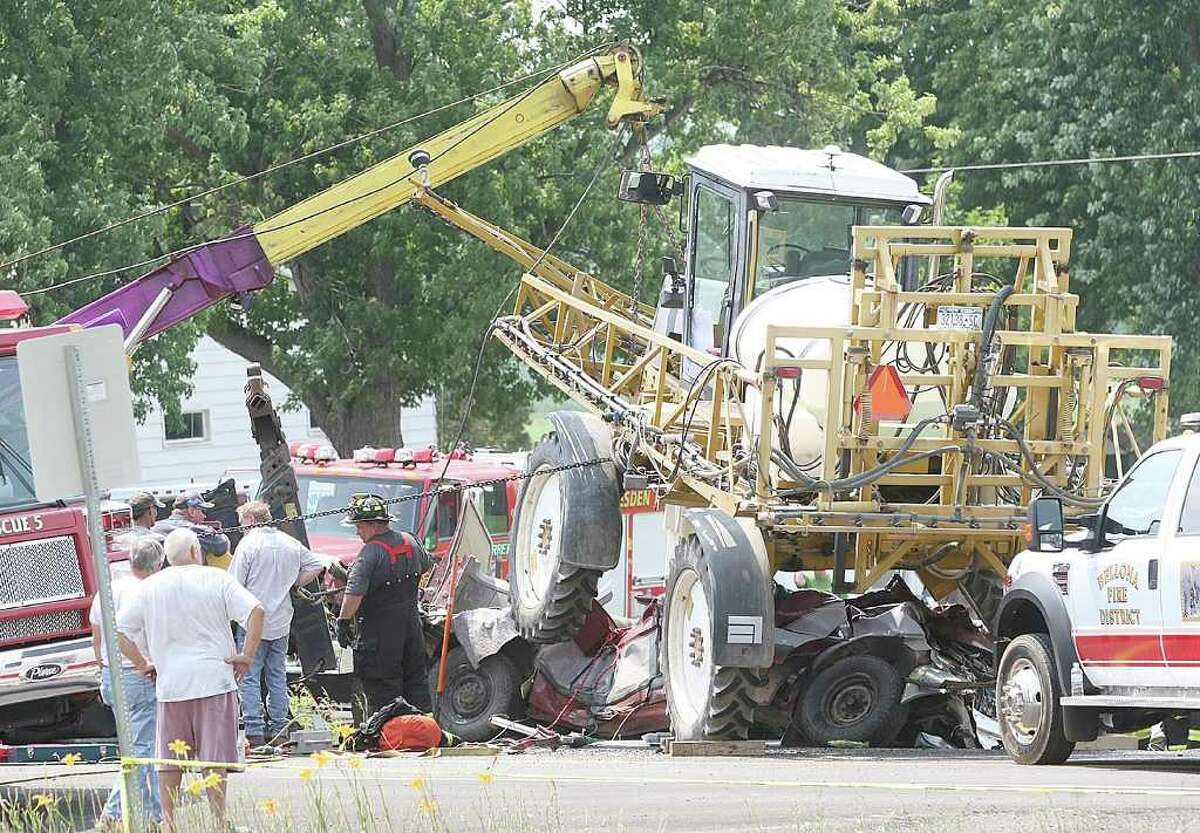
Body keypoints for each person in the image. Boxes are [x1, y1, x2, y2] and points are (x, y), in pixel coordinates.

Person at [116, 528, 264, 833]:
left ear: (167, 558)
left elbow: (119, 632)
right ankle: (218, 822)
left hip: (171, 683)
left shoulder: (150, 587)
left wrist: (143, 663)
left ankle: (169, 823)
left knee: (169, 759)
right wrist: (247, 655)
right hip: (215, 679)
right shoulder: (217, 578)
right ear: (196, 551)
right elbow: (256, 611)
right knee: (213, 758)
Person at [229, 500, 327, 747]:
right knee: (277, 675)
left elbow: (233, 584)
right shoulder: (289, 542)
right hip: (282, 620)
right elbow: (316, 565)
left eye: (243, 523)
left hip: (252, 621)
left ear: (251, 520)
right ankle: (280, 728)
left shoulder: (248, 544)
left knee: (249, 676)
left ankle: (254, 730)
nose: (241, 528)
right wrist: (294, 583)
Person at [90, 537, 164, 828]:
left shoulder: (107, 590)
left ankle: (155, 814)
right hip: (138, 673)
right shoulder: (148, 591)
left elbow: (97, 635)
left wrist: (102, 667)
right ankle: (114, 812)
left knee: (137, 746)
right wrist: (143, 663)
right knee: (143, 750)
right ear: (157, 565)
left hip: (110, 673)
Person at [336, 494, 432, 716]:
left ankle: (389, 737)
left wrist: (343, 622)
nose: (357, 532)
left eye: (359, 526)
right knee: (416, 683)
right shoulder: (411, 541)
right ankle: (423, 732)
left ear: (372, 525)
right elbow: (425, 566)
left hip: (379, 637)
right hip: (411, 629)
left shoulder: (369, 553)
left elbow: (354, 594)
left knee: (383, 690)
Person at [152, 490, 231, 568]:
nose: (204, 516)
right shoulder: (195, 529)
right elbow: (222, 545)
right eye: (202, 511)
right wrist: (211, 530)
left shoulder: (155, 527)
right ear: (192, 511)